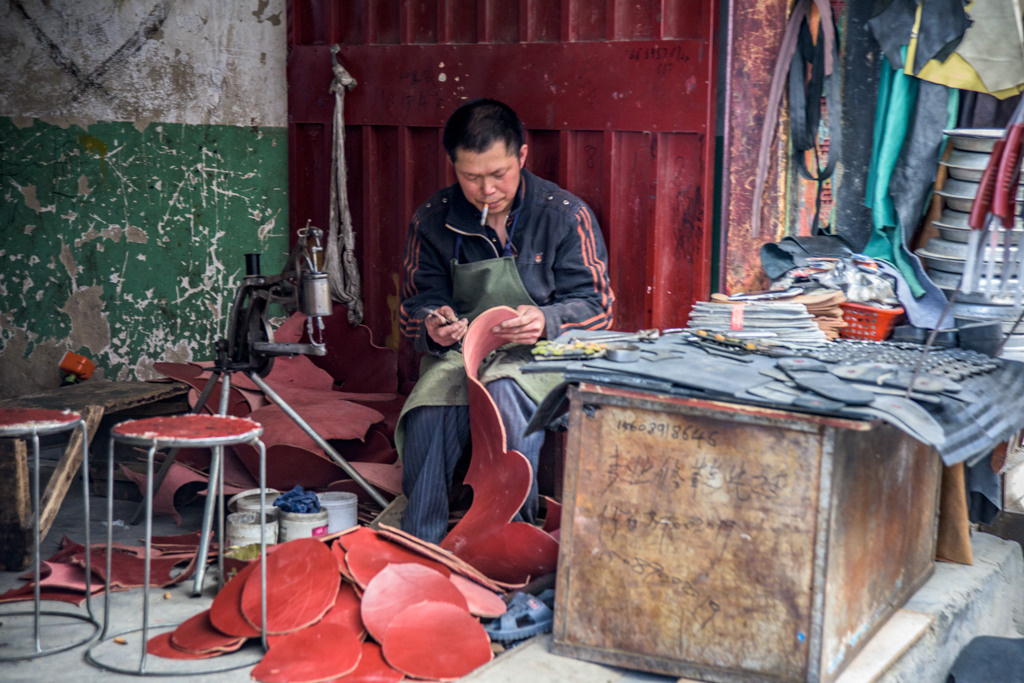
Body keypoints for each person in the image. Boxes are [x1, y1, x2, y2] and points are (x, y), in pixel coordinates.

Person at [397, 98, 615, 544]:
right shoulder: (434, 219)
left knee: (504, 394)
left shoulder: (563, 215)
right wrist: (432, 325)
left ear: (522, 156)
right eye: (471, 177)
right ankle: (421, 542)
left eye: (499, 174)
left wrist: (546, 319)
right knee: (430, 409)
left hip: (542, 353)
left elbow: (598, 307)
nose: (486, 190)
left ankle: (513, 540)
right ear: (453, 165)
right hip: (462, 352)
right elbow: (416, 305)